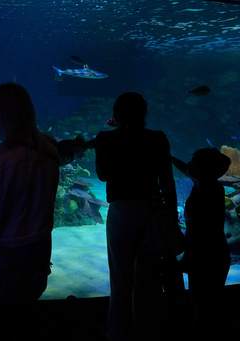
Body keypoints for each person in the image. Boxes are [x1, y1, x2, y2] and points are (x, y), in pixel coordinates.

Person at [0, 83, 59, 336]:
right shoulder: (50, 149)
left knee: (1, 324)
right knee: (28, 319)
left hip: (2, 261)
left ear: (3, 114)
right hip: (37, 256)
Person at [94, 92, 178, 341]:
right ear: (144, 113)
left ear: (117, 113)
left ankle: (117, 334)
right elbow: (168, 180)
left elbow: (101, 175)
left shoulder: (105, 139)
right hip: (152, 211)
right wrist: (171, 217)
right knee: (149, 277)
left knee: (120, 278)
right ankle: (148, 333)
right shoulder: (158, 138)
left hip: (121, 211)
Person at [172, 148, 231, 340]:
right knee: (208, 306)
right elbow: (187, 170)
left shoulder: (206, 193)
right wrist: (169, 157)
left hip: (207, 256)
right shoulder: (209, 184)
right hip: (215, 253)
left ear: (202, 168)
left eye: (193, 159)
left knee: (204, 308)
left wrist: (186, 259)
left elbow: (201, 232)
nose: (189, 163)